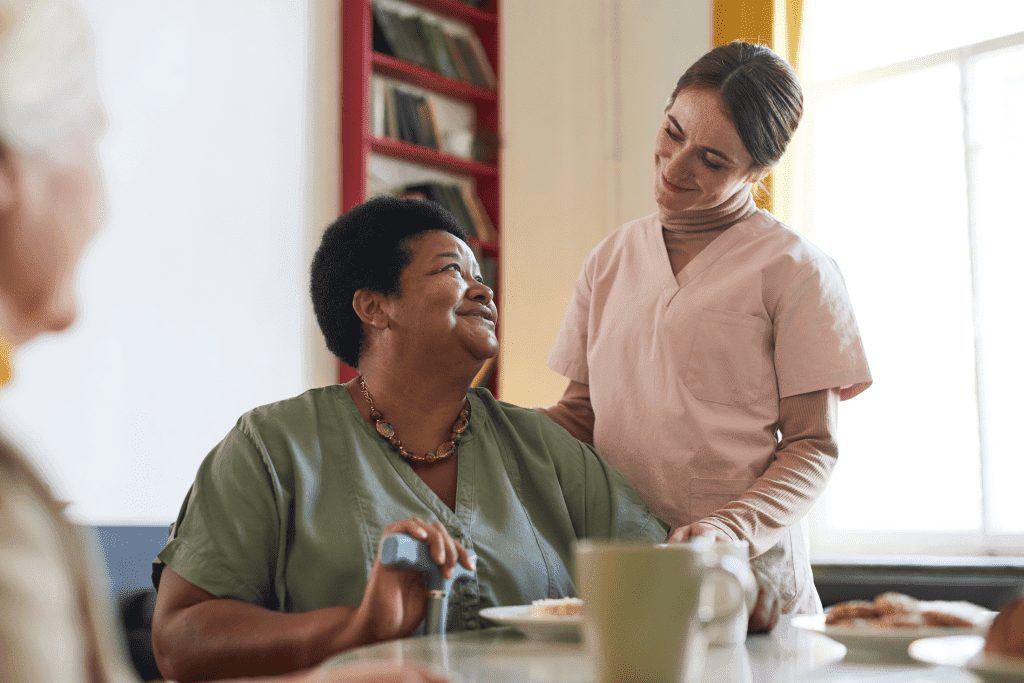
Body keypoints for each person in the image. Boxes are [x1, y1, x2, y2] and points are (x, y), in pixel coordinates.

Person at [0, 1, 446, 682]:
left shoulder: (527, 450)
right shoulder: (268, 445)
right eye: (89, 139)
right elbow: (179, 639)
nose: (103, 199)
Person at [150, 195, 669, 681]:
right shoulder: (271, 447)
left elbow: (663, 572)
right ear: (375, 308)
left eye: (479, 275)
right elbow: (179, 638)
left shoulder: (544, 449)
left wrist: (743, 586)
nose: (484, 290)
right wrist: (357, 630)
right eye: (450, 270)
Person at [542, 41, 872, 616]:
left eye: (712, 160)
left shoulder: (797, 271)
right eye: (673, 132)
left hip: (745, 580)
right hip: (629, 571)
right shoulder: (610, 259)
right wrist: (478, 435)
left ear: (759, 170)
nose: (675, 166)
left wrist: (729, 529)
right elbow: (579, 414)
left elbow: (813, 445)